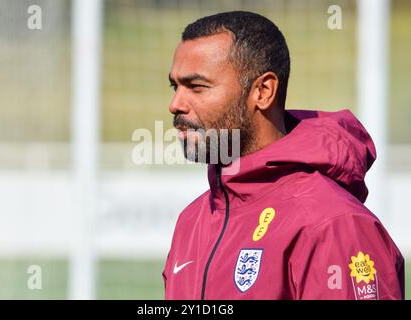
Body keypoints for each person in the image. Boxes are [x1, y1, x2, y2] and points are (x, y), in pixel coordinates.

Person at [163, 11, 404, 300]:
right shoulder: (193, 220)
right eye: (175, 86)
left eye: (196, 87)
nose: (175, 104)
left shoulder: (333, 224)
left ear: (263, 91)